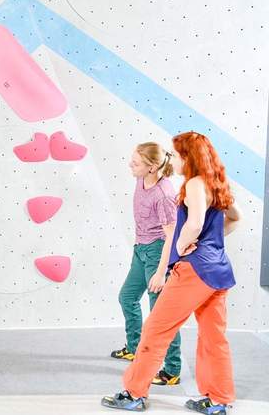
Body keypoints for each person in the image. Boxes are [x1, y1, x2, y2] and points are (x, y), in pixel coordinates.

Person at [101, 132, 241, 414]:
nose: (173, 160)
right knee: (214, 337)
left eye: (177, 155)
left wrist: (180, 247)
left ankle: (134, 394)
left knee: (155, 330)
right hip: (218, 269)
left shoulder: (194, 184)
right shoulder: (217, 182)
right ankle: (218, 400)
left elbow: (195, 222)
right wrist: (211, 241)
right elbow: (234, 218)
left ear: (188, 157)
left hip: (194, 271)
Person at [110, 142, 182, 386]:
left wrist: (162, 272)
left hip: (157, 253)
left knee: (161, 314)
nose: (131, 165)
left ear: (152, 168)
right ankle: (135, 349)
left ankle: (172, 369)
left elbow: (172, 236)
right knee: (127, 298)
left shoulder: (164, 195)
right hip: (140, 249)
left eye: (136, 163)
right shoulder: (142, 179)